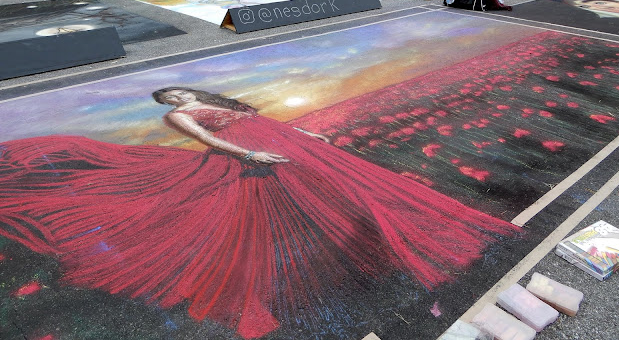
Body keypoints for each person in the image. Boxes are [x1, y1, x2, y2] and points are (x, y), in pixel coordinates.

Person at [0, 86, 517, 339]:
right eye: (168, 96)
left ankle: (361, 235)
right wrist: (248, 154)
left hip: (275, 139)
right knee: (293, 197)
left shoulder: (222, 102)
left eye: (177, 92)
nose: (174, 98)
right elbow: (203, 137)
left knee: (333, 182)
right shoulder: (179, 115)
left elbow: (267, 125)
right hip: (251, 151)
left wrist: (303, 134)